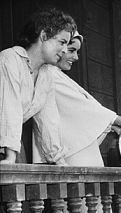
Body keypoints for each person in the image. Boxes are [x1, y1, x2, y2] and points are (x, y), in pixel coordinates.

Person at [33, 31, 121, 166]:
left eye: (76, 52)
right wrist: (119, 120)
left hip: (77, 147)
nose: (76, 57)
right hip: (66, 152)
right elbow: (78, 107)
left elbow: (85, 108)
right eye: (72, 50)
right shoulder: (49, 74)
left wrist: (111, 124)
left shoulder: (58, 75)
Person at [0, 8, 76, 164]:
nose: (64, 50)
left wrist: (58, 160)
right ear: (43, 35)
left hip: (9, 146)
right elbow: (9, 108)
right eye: (62, 42)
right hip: (7, 145)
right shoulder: (10, 59)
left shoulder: (47, 74)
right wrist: (10, 157)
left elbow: (48, 119)